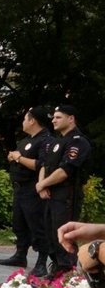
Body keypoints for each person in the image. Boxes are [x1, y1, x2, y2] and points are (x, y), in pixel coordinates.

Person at [35, 105, 91, 275]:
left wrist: (43, 184)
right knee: (51, 234)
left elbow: (65, 171)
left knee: (65, 236)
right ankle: (57, 269)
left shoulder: (78, 142)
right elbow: (45, 165)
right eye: (53, 117)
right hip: (50, 196)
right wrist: (42, 185)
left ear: (71, 119)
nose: (53, 120)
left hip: (66, 196)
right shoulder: (56, 141)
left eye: (58, 117)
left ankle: (68, 273)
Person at [0, 107, 52, 275]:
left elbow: (41, 164)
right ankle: (20, 255)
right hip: (19, 189)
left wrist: (19, 158)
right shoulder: (26, 140)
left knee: (37, 225)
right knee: (19, 223)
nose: (23, 122)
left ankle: (42, 262)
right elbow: (17, 157)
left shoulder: (46, 141)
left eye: (25, 119)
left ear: (32, 120)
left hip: (32, 189)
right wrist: (13, 157)